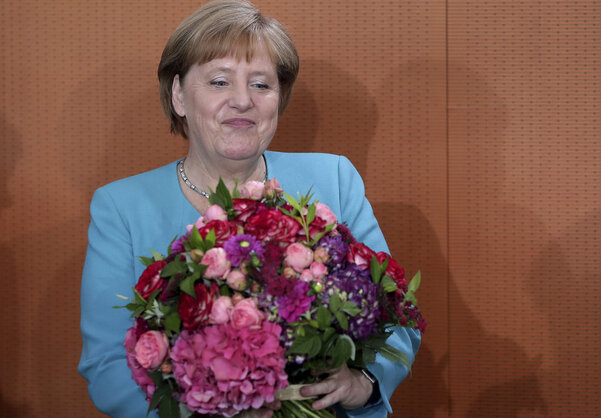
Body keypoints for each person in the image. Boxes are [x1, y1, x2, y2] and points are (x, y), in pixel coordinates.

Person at [77, 1, 421, 417]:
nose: (242, 101)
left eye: (261, 84)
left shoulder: (334, 178)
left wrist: (363, 383)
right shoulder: (120, 207)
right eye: (219, 82)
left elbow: (394, 317)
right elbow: (108, 367)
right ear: (179, 95)